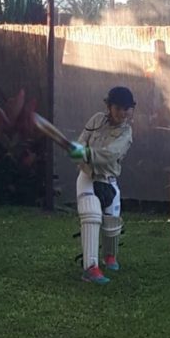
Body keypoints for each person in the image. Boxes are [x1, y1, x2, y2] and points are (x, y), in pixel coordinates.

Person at [69, 85, 136, 284]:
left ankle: (110, 256)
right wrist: (77, 150)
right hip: (88, 176)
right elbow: (82, 141)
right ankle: (90, 268)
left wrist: (88, 153)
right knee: (91, 216)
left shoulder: (126, 132)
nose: (122, 114)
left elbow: (111, 154)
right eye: (118, 108)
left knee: (112, 222)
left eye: (126, 109)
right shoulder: (96, 120)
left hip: (108, 179)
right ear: (109, 106)